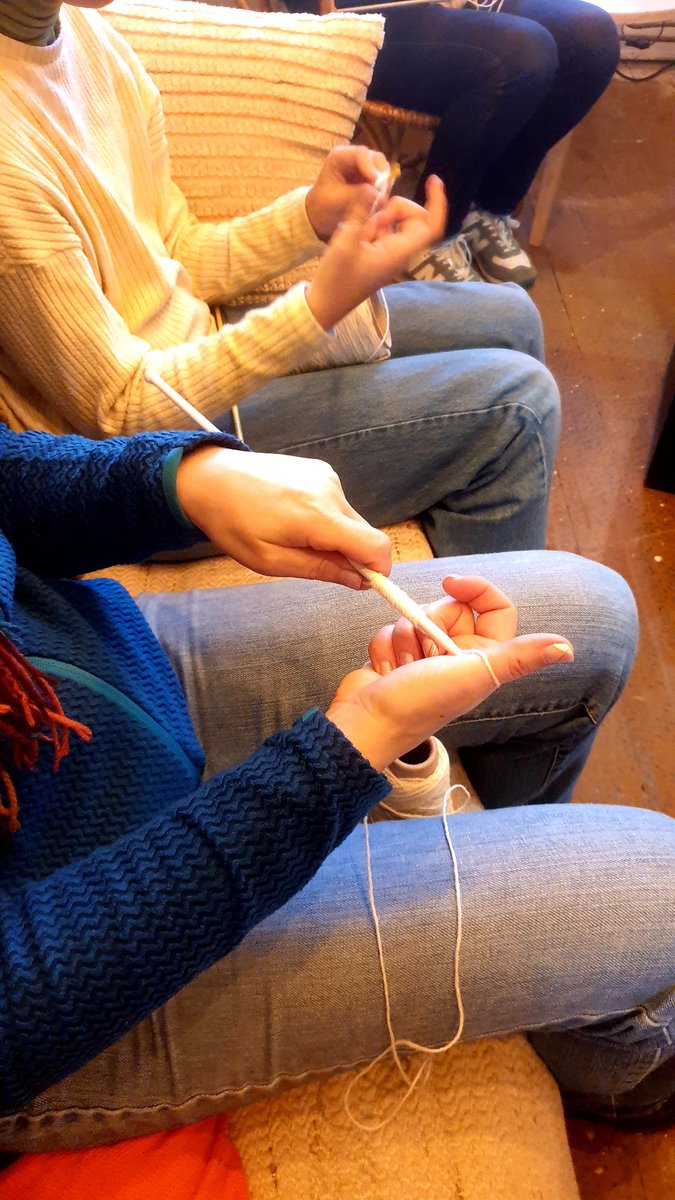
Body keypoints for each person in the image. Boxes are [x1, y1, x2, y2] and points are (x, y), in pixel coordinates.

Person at [0, 421, 673, 1153]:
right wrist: (343, 753)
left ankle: (537, 911)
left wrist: (178, 481)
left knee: (594, 611)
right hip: (82, 982)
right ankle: (615, 1075)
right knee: (662, 890)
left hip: (92, 657)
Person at [0, 0, 560, 558]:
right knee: (521, 409)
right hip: (135, 467)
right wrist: (316, 308)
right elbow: (118, 411)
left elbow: (177, 248)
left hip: (187, 353)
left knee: (511, 315)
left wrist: (311, 216)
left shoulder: (90, 37)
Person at [322, 0, 621, 286]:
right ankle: (429, 232)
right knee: (524, 53)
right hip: (365, 12)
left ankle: (486, 206)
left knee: (592, 39)